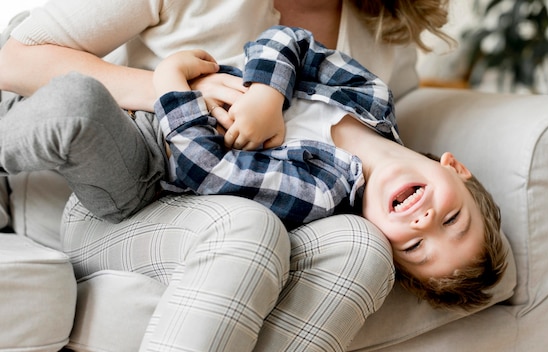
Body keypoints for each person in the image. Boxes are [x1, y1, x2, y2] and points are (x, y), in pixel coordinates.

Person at [0, 1, 459, 351]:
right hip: (115, 191)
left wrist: (177, 93)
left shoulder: (383, 26)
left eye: (417, 245)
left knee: (363, 247)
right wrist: (180, 88)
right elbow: (13, 61)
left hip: (208, 188)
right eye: (452, 219)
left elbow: (216, 173)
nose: (423, 223)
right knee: (248, 228)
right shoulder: (368, 99)